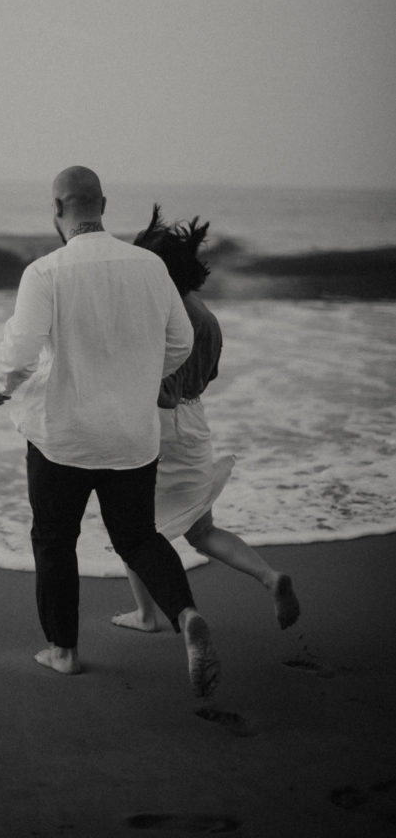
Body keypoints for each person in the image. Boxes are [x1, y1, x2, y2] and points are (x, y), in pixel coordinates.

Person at [0, 167, 220, 698]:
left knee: (54, 539)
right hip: (132, 437)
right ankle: (185, 616)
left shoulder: (45, 273)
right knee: (137, 537)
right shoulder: (151, 269)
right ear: (103, 205)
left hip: (62, 438)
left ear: (56, 209)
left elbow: (21, 349)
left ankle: (63, 652)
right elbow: (180, 342)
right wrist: (138, 380)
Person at [111, 206, 300, 633]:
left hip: (159, 426)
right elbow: (208, 375)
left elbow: (158, 388)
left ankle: (146, 614)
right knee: (202, 530)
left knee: (135, 532)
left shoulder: (161, 315)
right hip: (195, 422)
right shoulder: (205, 317)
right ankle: (270, 577)